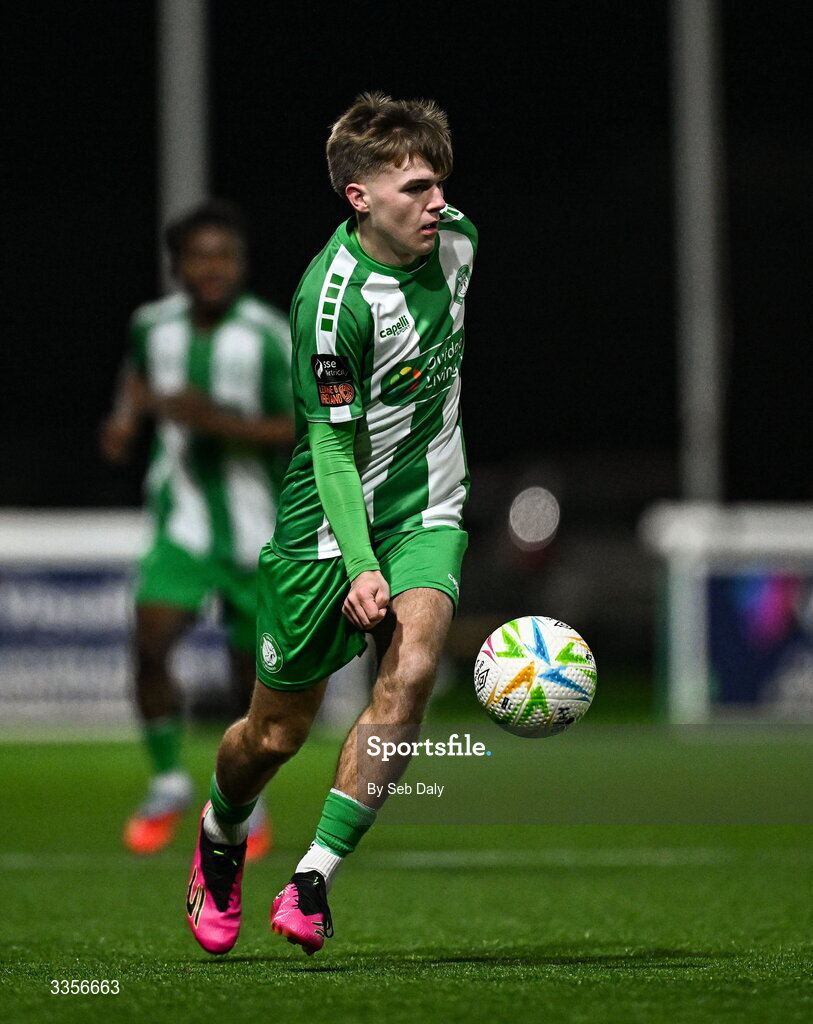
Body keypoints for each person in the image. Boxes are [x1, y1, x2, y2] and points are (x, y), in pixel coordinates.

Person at [184, 93, 477, 955]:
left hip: (427, 503)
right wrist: (357, 563)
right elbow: (330, 447)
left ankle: (312, 877)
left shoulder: (458, 241)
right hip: (326, 530)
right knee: (273, 734)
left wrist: (391, 559)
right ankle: (221, 831)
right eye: (416, 188)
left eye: (440, 185)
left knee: (414, 665)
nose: (438, 203)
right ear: (358, 196)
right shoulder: (329, 302)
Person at [100, 199, 295, 861]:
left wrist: (218, 423)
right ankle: (166, 781)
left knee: (250, 676)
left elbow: (301, 427)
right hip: (178, 520)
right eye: (199, 256)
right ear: (178, 265)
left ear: (239, 264)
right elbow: (138, 380)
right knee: (151, 641)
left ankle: (246, 792)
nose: (213, 268)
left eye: (225, 257)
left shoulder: (268, 334)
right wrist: (126, 421)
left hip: (255, 531)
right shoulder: (151, 326)